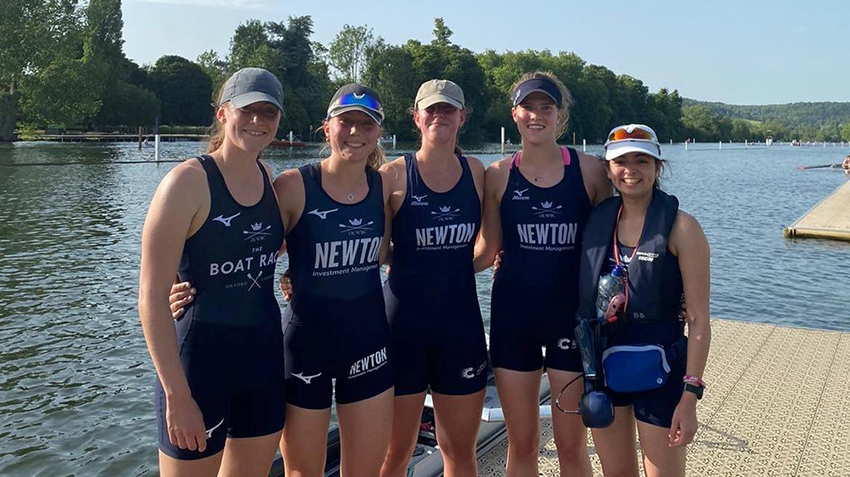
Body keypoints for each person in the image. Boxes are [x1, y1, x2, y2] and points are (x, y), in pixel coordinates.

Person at [138, 67, 286, 476]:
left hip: (262, 361)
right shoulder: (185, 183)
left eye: (268, 113)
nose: (258, 121)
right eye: (247, 110)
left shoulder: (268, 177)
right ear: (223, 114)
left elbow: (270, 246)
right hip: (200, 367)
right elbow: (150, 300)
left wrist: (297, 277)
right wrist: (177, 396)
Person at [474, 71, 610, 476]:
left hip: (572, 320)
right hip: (514, 319)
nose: (536, 116)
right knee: (523, 443)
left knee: (571, 446)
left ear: (559, 115)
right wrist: (416, 268)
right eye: (528, 108)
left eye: (545, 108)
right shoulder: (498, 174)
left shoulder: (592, 172)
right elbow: (486, 250)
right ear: (514, 114)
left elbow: (618, 241)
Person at [273, 83, 395, 477]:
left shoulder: (385, 186)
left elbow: (399, 252)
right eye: (346, 123)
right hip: (304, 343)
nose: (356, 132)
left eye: (366, 124)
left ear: (379, 132)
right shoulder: (293, 185)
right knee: (301, 473)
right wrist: (182, 283)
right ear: (327, 127)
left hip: (367, 341)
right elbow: (241, 247)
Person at [577, 124, 711, 477]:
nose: (630, 170)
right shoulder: (598, 221)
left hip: (661, 372)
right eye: (621, 161)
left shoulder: (683, 228)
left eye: (642, 160)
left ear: (657, 168)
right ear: (608, 170)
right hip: (605, 368)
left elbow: (698, 320)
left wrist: (690, 394)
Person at [379, 80, 488, 477]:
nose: (439, 116)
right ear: (416, 118)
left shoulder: (477, 172)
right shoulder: (391, 175)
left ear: (462, 117)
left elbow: (489, 246)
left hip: (459, 328)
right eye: (431, 110)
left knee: (459, 452)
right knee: (394, 452)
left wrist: (451, 266)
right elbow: (371, 249)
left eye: (448, 110)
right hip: (401, 327)